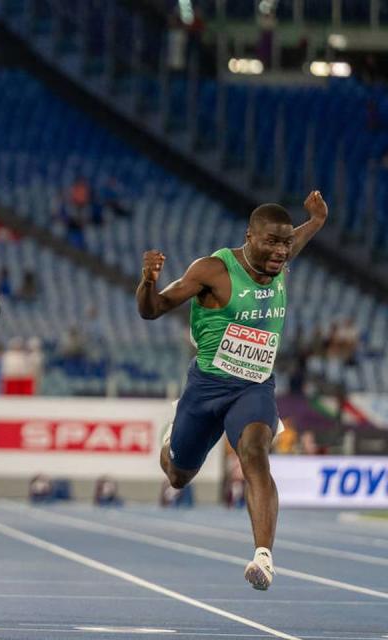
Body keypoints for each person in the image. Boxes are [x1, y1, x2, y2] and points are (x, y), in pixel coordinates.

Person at [137, 191, 328, 591]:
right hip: (207, 387)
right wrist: (147, 281)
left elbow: (297, 239)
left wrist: (316, 222)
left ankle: (263, 557)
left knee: (254, 452)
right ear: (249, 237)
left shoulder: (280, 259)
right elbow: (152, 309)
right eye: (272, 243)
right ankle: (173, 437)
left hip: (255, 384)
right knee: (177, 476)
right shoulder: (213, 271)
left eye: (286, 244)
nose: (281, 252)